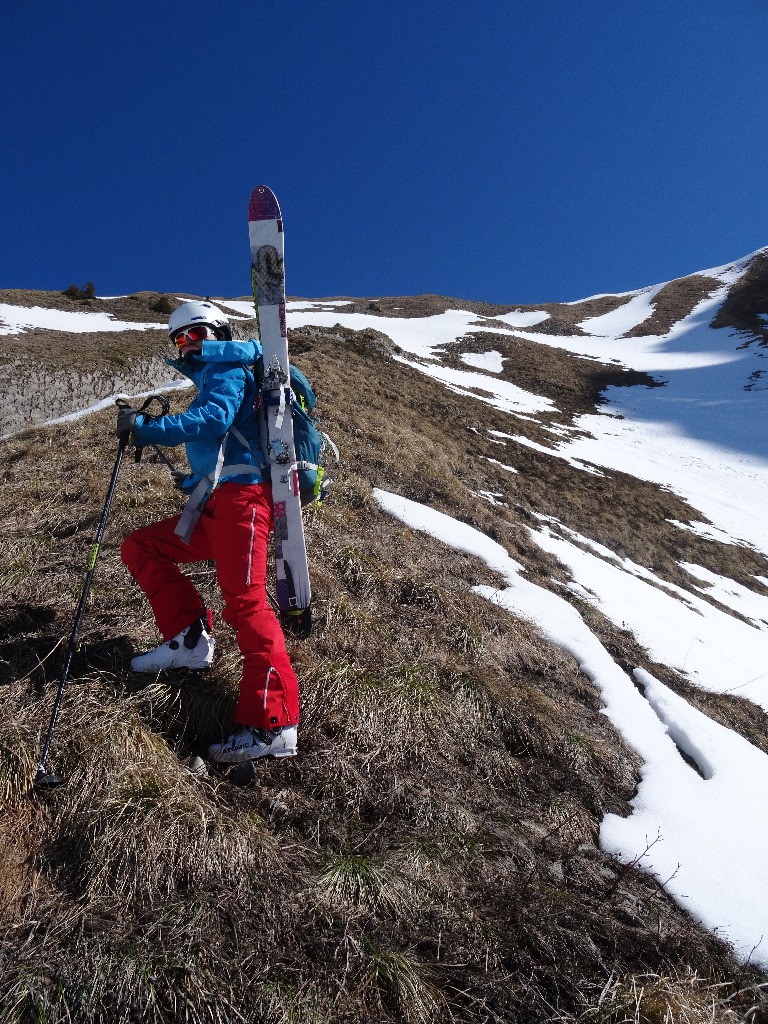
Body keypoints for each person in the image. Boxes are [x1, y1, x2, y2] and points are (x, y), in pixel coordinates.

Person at [116, 300, 299, 764]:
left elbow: (215, 419)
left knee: (246, 601)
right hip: (217, 505)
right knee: (142, 546)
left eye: (196, 333)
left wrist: (148, 429)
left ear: (218, 332)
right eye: (180, 339)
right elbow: (220, 440)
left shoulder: (229, 364)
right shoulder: (215, 373)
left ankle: (274, 723)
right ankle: (190, 641)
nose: (189, 344)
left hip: (242, 504)